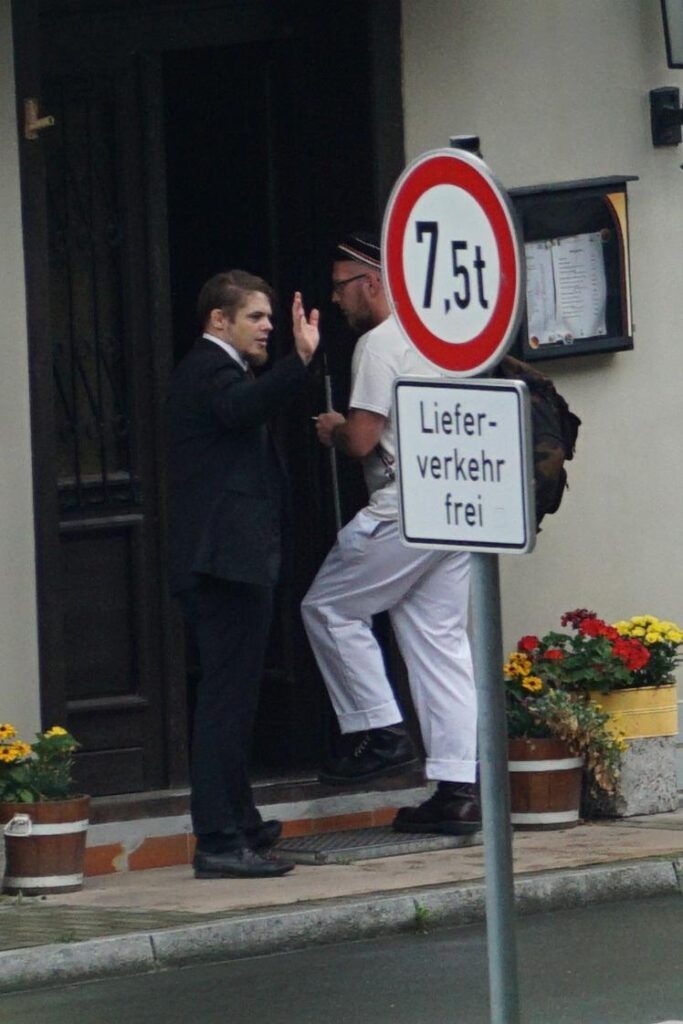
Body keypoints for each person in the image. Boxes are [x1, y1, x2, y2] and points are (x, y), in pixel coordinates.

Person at [301, 233, 480, 835]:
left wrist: (332, 427)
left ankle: (378, 730)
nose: (336, 298)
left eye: (341, 286)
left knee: (326, 607)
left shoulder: (379, 345)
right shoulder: (440, 337)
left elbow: (363, 439)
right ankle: (459, 791)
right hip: (454, 501)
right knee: (440, 643)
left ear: (371, 283)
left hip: (402, 506)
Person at [166, 270, 319, 877]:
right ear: (218, 321)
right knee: (225, 705)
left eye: (270, 319)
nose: (268, 328)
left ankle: (242, 822)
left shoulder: (222, 371)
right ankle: (219, 840)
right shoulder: (210, 371)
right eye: (256, 317)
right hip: (223, 566)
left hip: (233, 563)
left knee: (235, 699)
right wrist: (298, 363)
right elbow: (239, 409)